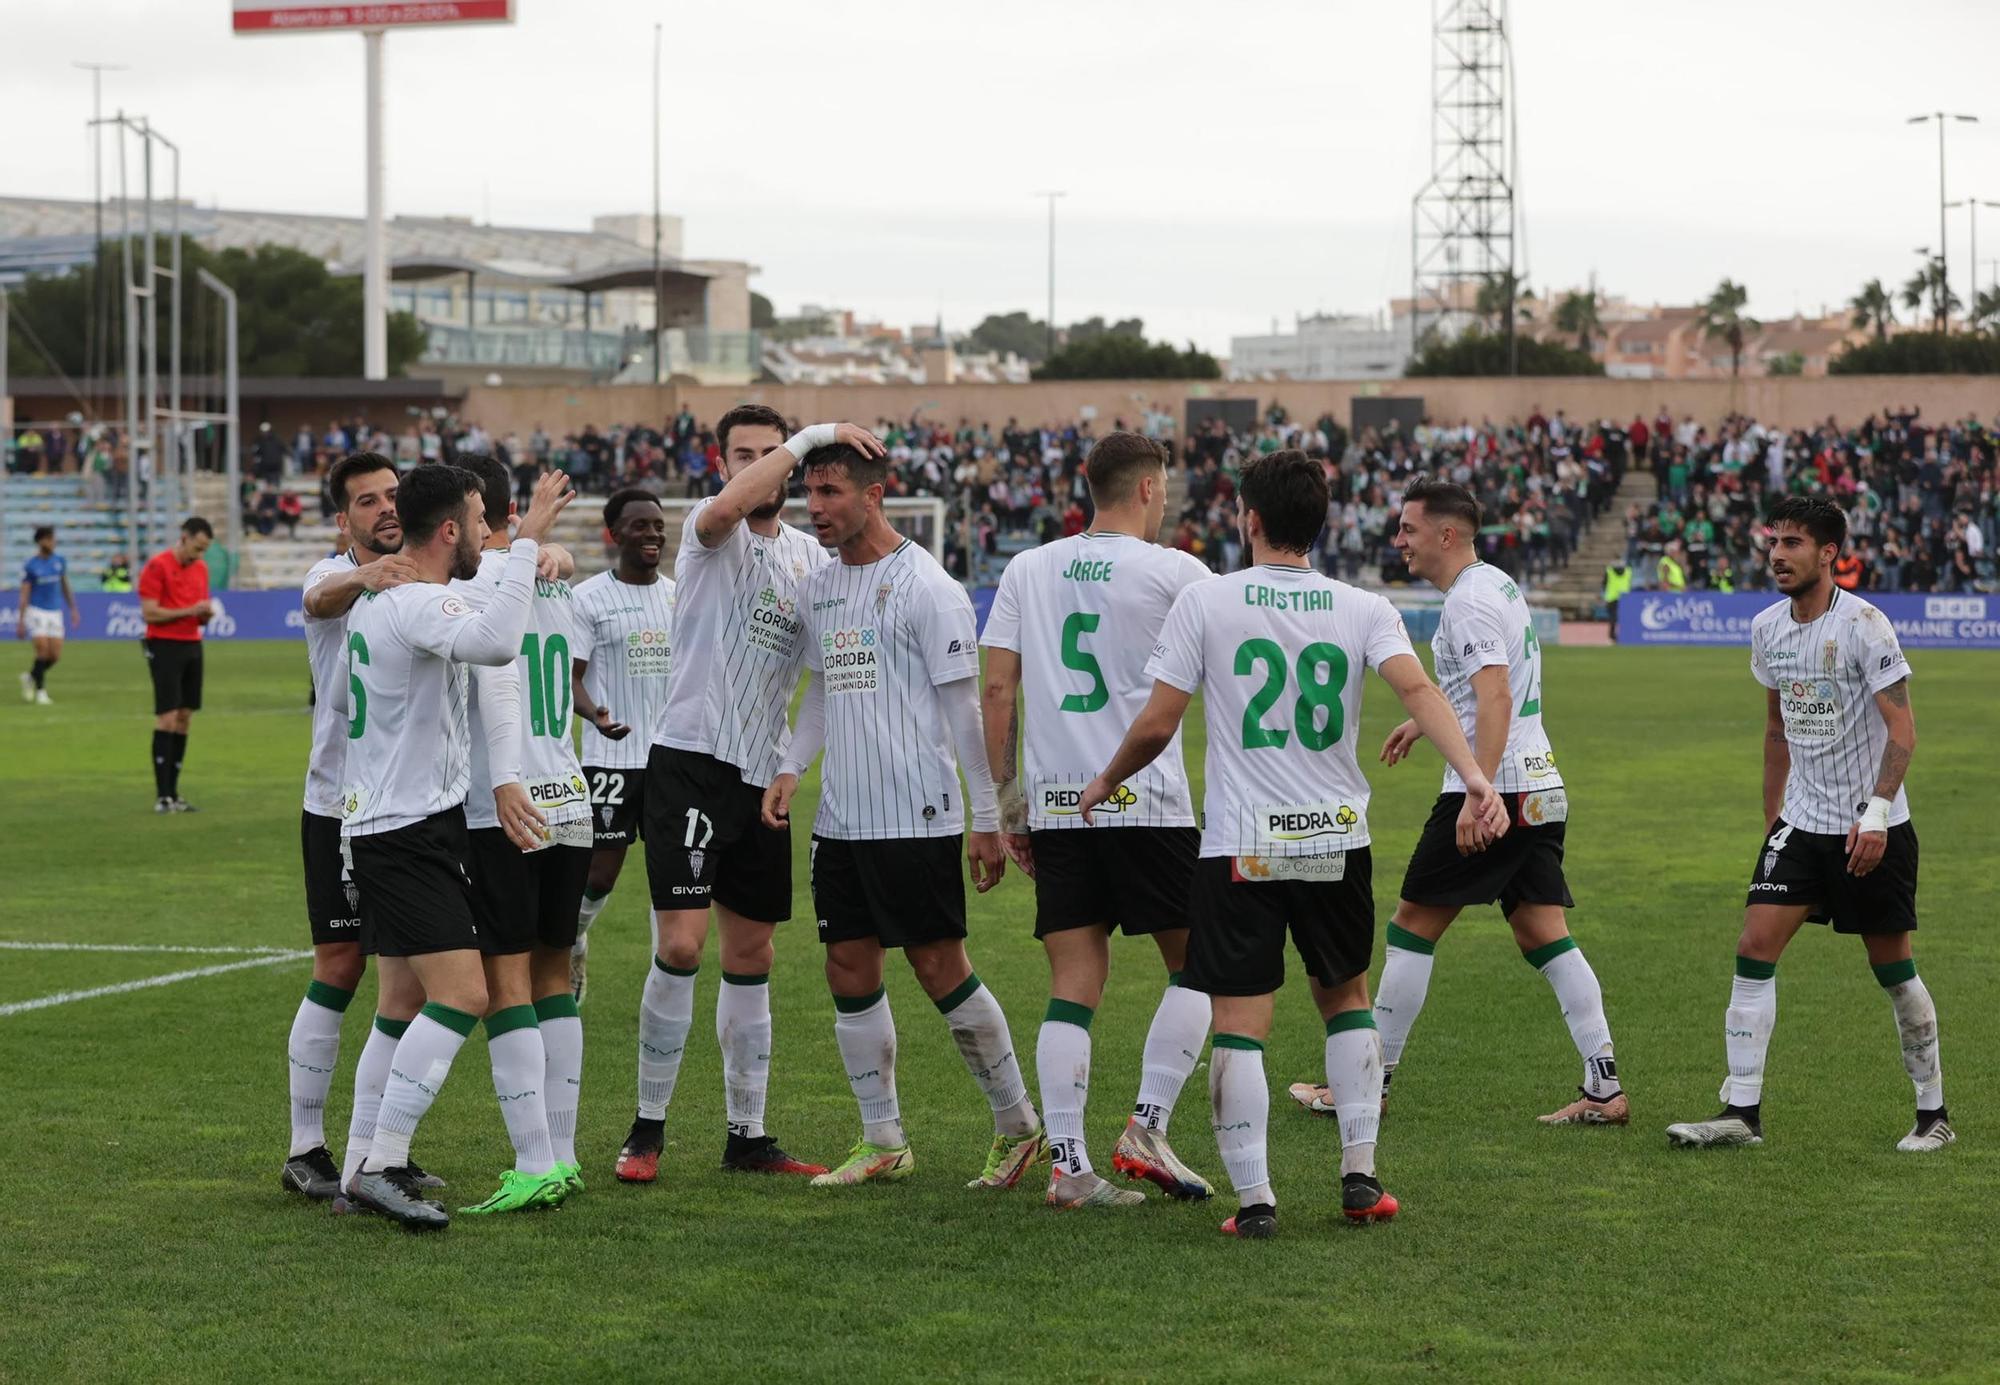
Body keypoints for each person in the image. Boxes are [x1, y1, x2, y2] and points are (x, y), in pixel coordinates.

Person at [1074, 450, 1508, 1238]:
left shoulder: (1207, 600)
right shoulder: (1362, 605)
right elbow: (1418, 689)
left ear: (1251, 519)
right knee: (1345, 1000)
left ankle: (1258, 1202)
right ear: (1321, 522)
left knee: (1242, 1018)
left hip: (1243, 843)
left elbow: (1159, 720)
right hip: (1336, 838)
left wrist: (1104, 781)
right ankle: (1360, 1178)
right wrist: (1476, 777)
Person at [1290, 477, 1627, 1126]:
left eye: (1409, 529)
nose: (1399, 540)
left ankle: (1366, 1083)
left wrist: (1481, 791)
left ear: (1446, 534)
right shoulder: (1497, 583)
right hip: (1540, 784)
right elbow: (1492, 689)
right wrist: (1425, 723)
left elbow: (1496, 694)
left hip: (1496, 789)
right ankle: (1605, 1086)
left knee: (1412, 923)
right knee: (1541, 927)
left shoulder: (1467, 603)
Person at [764, 440, 1047, 1191]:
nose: (816, 508)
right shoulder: (820, 588)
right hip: (841, 822)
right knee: (847, 966)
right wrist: (793, 764)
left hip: (916, 815)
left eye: (830, 492)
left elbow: (965, 709)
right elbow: (822, 688)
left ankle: (1018, 1124)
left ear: (874, 493)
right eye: (810, 494)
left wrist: (986, 817)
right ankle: (882, 1137)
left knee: (937, 966)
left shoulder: (929, 586)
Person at [615, 406, 860, 1185]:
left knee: (752, 954)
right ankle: (647, 1127)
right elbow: (729, 506)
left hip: (761, 777)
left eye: (769, 454)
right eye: (743, 454)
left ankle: (747, 1135)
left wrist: (792, 764)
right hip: (689, 761)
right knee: (682, 944)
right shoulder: (706, 529)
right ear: (724, 462)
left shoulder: (810, 564)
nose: (758, 466)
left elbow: (819, 683)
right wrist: (812, 435)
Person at [1667, 497, 1951, 1154]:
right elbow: (1776, 729)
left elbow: (1902, 730)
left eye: (1793, 542)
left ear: (1828, 553)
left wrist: (1877, 813)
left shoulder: (1867, 626)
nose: (1777, 553)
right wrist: (1774, 820)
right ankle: (1741, 1111)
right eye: (1775, 541)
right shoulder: (1767, 628)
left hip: (1869, 829)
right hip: (1801, 822)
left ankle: (1933, 1111)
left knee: (1893, 968)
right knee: (1753, 947)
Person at [978, 431, 1216, 1210]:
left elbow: (997, 692)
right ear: (1149, 489)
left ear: (1090, 485)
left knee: (1072, 985)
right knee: (1201, 967)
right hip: (1145, 803)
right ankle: (1146, 1123)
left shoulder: (1027, 567)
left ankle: (1071, 1168)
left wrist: (1007, 802)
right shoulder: (1179, 571)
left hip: (1055, 806)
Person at [334, 465, 574, 1229]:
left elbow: (353, 697)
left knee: (402, 1000)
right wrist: (530, 538)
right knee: (465, 994)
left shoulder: (378, 605)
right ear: (448, 531)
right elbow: (499, 642)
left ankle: (361, 1162)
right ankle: (379, 1165)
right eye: (478, 522)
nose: (485, 534)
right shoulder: (419, 601)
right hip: (403, 833)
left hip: (397, 823)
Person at [452, 455, 593, 1215]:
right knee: (551, 978)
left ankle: (535, 1161)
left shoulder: (479, 585)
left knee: (505, 986)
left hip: (502, 808)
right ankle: (563, 1154)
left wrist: (526, 540)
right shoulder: (552, 578)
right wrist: (539, 546)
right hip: (568, 795)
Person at [285, 453, 425, 1203]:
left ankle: (381, 1150)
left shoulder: (430, 573)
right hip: (339, 804)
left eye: (393, 496)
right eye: (366, 502)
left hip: (412, 807)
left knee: (407, 977)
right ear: (344, 520)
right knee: (341, 966)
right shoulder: (329, 574)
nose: (384, 509)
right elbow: (320, 600)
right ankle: (306, 1144)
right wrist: (367, 575)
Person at [568, 489, 677, 1004]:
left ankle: (666, 984)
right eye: (640, 526)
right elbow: (571, 680)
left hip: (671, 761)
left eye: (658, 524)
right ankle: (572, 938)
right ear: (615, 535)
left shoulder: (679, 595)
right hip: (610, 758)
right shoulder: (588, 599)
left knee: (671, 874)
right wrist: (596, 715)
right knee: (600, 874)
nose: (652, 534)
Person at [138, 517, 215, 813]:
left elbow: (199, 610)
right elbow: (150, 613)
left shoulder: (201, 568)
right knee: (168, 717)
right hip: (164, 645)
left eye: (204, 549)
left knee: (185, 717)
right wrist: (189, 611)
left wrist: (204, 615)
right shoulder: (158, 566)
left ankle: (174, 792)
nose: (199, 555)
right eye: (197, 547)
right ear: (184, 537)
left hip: (192, 644)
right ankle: (162, 795)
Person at [18, 526, 81, 705]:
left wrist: (73, 609)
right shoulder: (31, 565)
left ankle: (30, 677)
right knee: (42, 650)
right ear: (40, 541)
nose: (53, 542)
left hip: (55, 611)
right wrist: (21, 620)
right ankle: (41, 692)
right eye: (50, 539)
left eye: (53, 539)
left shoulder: (59, 561)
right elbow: (24, 594)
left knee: (54, 656)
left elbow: (65, 585)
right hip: (37, 610)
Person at [1603, 559, 1633, 643]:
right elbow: (1630, 582)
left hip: (1611, 597)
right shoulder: (1628, 571)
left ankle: (1612, 636)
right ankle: (1626, 634)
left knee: (1612, 618)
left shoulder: (1609, 571)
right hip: (1625, 597)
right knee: (1626, 617)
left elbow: (1604, 583)